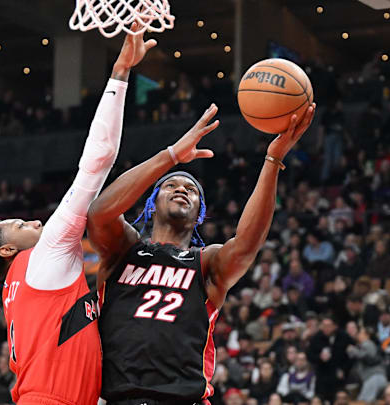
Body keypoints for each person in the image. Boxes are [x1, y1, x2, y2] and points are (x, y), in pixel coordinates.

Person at [86, 82, 315, 403]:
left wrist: (273, 160)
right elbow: (98, 214)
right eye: (171, 186)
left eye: (191, 190)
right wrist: (170, 157)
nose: (182, 189)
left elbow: (247, 244)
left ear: (199, 216)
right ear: (151, 204)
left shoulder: (206, 263)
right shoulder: (124, 250)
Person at [0, 27, 157, 405]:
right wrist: (120, 73)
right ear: (8, 251)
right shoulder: (41, 256)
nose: (36, 223)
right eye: (21, 226)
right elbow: (97, 161)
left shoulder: (22, 290)